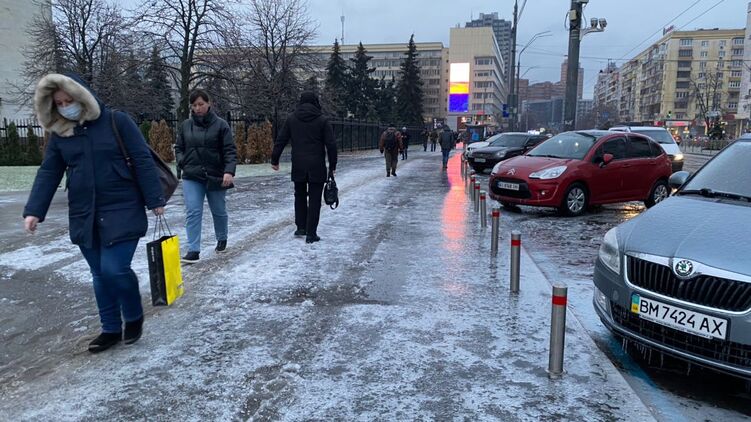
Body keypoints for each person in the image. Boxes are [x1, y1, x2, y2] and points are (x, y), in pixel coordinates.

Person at [23, 73, 166, 353]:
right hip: (84, 213)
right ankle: (110, 328)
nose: (65, 107)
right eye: (60, 103)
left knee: (115, 269)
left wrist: (154, 199)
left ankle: (133, 315)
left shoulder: (117, 121)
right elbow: (49, 171)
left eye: (69, 100)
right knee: (99, 273)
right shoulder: (61, 133)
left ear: (82, 96)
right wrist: (34, 211)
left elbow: (141, 159)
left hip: (122, 207)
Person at [175, 89, 237, 264]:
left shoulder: (221, 125)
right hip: (192, 175)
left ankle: (222, 238)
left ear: (209, 103)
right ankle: (193, 249)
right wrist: (182, 161)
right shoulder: (186, 125)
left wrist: (229, 171)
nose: (198, 108)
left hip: (215, 174)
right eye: (194, 105)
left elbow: (230, 150)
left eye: (201, 104)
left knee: (218, 210)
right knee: (193, 211)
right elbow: (179, 147)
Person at [271, 91, 337, 244]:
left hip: (298, 164)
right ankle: (311, 233)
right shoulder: (322, 120)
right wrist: (332, 165)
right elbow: (331, 145)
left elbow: (281, 140)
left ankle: (301, 227)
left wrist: (275, 159)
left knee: (299, 195)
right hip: (317, 165)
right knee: (315, 199)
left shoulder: (292, 119)